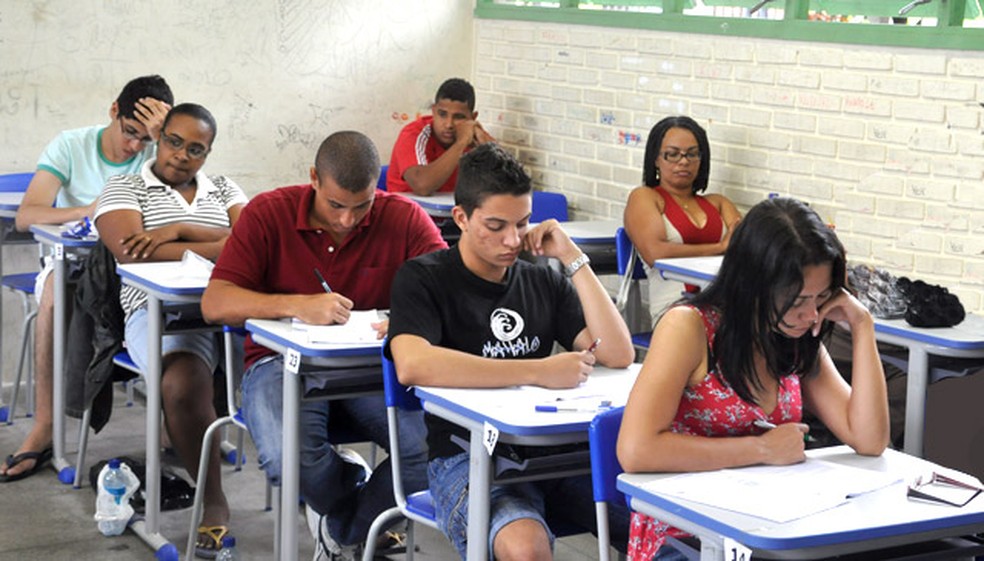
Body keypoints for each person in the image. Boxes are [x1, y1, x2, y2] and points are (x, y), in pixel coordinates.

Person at [200, 130, 446, 560]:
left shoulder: (403, 216)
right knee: (285, 459)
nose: (348, 220)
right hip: (280, 365)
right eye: (336, 205)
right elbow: (215, 302)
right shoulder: (268, 213)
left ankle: (343, 531)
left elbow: (451, 292)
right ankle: (353, 489)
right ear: (314, 178)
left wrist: (410, 319)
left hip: (372, 370)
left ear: (378, 188)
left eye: (362, 206)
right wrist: (296, 305)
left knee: (435, 446)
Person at [386, 142, 637, 560]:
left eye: (522, 224)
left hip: (555, 456)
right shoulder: (423, 278)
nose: (512, 240)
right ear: (462, 218)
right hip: (467, 459)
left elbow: (618, 353)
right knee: (526, 549)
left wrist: (573, 258)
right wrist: (536, 370)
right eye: (496, 225)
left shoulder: (540, 279)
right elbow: (413, 365)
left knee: (669, 535)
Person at [617, 197, 889, 561]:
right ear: (753, 285)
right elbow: (636, 450)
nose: (811, 314)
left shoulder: (794, 339)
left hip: (771, 529)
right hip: (686, 536)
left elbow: (870, 439)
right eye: (796, 300)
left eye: (821, 297)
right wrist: (760, 449)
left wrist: (862, 325)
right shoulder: (690, 328)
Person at [94, 103, 248, 558]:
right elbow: (131, 252)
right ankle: (212, 498)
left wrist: (174, 229)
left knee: (288, 372)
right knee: (181, 383)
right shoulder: (124, 186)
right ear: (159, 139)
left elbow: (252, 244)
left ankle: (320, 489)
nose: (182, 155)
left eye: (196, 149)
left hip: (231, 310)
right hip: (159, 316)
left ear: (208, 154)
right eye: (175, 142)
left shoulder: (223, 187)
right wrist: (214, 247)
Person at [1, 75, 173, 483]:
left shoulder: (158, 157)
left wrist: (165, 140)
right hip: (71, 268)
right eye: (130, 132)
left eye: (145, 139)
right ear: (114, 111)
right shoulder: (71, 145)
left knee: (179, 305)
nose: (134, 147)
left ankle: (179, 427)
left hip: (134, 270)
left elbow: (185, 200)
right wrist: (94, 209)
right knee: (56, 294)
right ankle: (44, 425)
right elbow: (28, 216)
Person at [622, 116, 741, 327]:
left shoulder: (719, 203)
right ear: (656, 159)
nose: (684, 161)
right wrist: (720, 247)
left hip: (725, 304)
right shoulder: (645, 198)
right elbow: (655, 253)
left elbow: (744, 248)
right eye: (673, 154)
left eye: (692, 154)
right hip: (676, 310)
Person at [386, 77, 496, 196]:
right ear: (433, 111)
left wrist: (488, 149)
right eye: (442, 114)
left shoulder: (473, 136)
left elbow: (509, 184)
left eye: (459, 117)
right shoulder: (413, 134)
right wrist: (461, 143)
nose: (449, 124)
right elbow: (422, 186)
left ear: (472, 118)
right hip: (408, 212)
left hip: (452, 212)